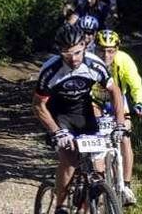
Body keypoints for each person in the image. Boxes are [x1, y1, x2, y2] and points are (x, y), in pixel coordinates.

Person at [33, 24, 128, 214]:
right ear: (60, 51)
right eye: (68, 54)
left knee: (98, 169)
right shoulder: (50, 71)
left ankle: (86, 206)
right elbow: (38, 105)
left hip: (83, 113)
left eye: (77, 52)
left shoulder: (94, 64)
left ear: (85, 45)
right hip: (58, 114)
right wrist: (55, 131)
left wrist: (120, 123)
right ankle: (60, 205)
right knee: (70, 159)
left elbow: (115, 91)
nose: (74, 59)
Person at [92, 30, 142, 207]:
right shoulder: (89, 61)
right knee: (97, 138)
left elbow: (136, 84)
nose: (106, 55)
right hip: (95, 101)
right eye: (102, 50)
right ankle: (99, 185)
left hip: (117, 101)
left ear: (117, 49)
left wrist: (139, 103)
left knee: (125, 137)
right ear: (95, 49)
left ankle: (126, 185)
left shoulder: (124, 60)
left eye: (110, 50)